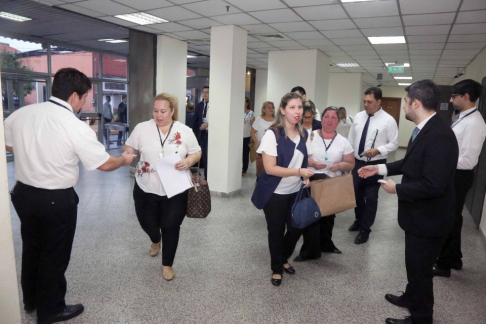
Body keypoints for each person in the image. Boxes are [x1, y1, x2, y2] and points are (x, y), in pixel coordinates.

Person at [4, 68, 134, 324]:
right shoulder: (74, 126)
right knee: (54, 253)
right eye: (85, 97)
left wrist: (35, 150)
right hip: (55, 199)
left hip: (23, 195)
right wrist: (123, 159)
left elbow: (8, 144)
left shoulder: (21, 114)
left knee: (32, 248)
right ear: (74, 96)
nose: (84, 102)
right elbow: (104, 164)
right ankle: (51, 309)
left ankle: (31, 300)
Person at [358, 80, 459, 324]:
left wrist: (398, 188)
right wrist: (378, 168)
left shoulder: (440, 135)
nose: (403, 106)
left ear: (416, 103)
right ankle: (411, 297)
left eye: (405, 101)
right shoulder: (424, 128)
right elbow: (407, 164)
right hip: (419, 217)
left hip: (430, 219)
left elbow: (434, 185)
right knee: (414, 265)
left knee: (421, 270)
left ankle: (421, 318)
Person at [123, 93, 201, 281]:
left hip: (175, 188)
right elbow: (130, 147)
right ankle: (155, 239)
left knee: (171, 226)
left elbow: (197, 152)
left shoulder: (184, 131)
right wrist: (128, 153)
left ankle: (167, 264)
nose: (158, 115)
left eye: (163, 111)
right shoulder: (142, 128)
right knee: (147, 222)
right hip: (146, 185)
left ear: (172, 111)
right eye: (155, 111)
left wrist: (188, 160)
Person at [251, 92, 314, 287]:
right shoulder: (273, 134)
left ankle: (283, 256)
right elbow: (270, 168)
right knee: (276, 231)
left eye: (300, 107)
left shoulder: (303, 133)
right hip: (275, 194)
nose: (297, 112)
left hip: (295, 191)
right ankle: (277, 267)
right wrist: (299, 171)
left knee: (296, 228)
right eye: (292, 108)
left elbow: (300, 158)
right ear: (283, 110)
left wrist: (305, 175)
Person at [434, 79, 486, 278]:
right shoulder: (463, 117)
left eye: (454, 96)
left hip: (459, 177)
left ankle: (444, 264)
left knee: (449, 219)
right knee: (454, 219)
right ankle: (454, 258)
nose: (450, 99)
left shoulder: (474, 124)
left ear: (466, 96)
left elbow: (467, 161)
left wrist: (441, 161)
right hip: (454, 175)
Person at [294, 107, 355, 261]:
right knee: (312, 217)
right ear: (322, 119)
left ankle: (326, 244)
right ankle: (309, 250)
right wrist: (313, 162)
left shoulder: (343, 142)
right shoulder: (310, 136)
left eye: (333, 118)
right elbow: (299, 157)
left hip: (331, 182)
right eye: (327, 117)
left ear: (338, 121)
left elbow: (351, 164)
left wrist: (340, 166)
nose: (329, 120)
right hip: (312, 181)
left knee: (328, 216)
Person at [347, 87, 398, 244]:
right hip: (358, 163)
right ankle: (359, 219)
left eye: (369, 102)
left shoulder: (388, 120)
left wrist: (378, 150)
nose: (366, 105)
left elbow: (394, 143)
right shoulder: (358, 116)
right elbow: (351, 139)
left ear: (378, 101)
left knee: (370, 196)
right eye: (364, 101)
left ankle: (365, 229)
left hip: (376, 164)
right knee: (356, 194)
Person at [251, 101, 275, 177]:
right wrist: (256, 142)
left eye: (272, 107)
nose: (271, 109)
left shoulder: (276, 120)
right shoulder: (259, 119)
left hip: (273, 147)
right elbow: (252, 132)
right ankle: (258, 183)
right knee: (260, 167)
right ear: (264, 110)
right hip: (261, 147)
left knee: (271, 168)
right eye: (269, 107)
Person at [194, 86, 209, 179]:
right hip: (201, 134)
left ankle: (207, 177)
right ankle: (204, 176)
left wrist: (209, 124)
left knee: (208, 156)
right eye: (203, 92)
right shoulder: (200, 105)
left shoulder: (215, 105)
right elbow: (195, 120)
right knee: (203, 156)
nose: (204, 94)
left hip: (210, 134)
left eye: (207, 92)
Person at [242, 97, 255, 176]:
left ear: (247, 103)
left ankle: (244, 170)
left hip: (246, 136)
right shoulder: (237, 111)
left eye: (244, 101)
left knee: (245, 154)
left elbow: (253, 126)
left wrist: (251, 137)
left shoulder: (250, 113)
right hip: (237, 136)